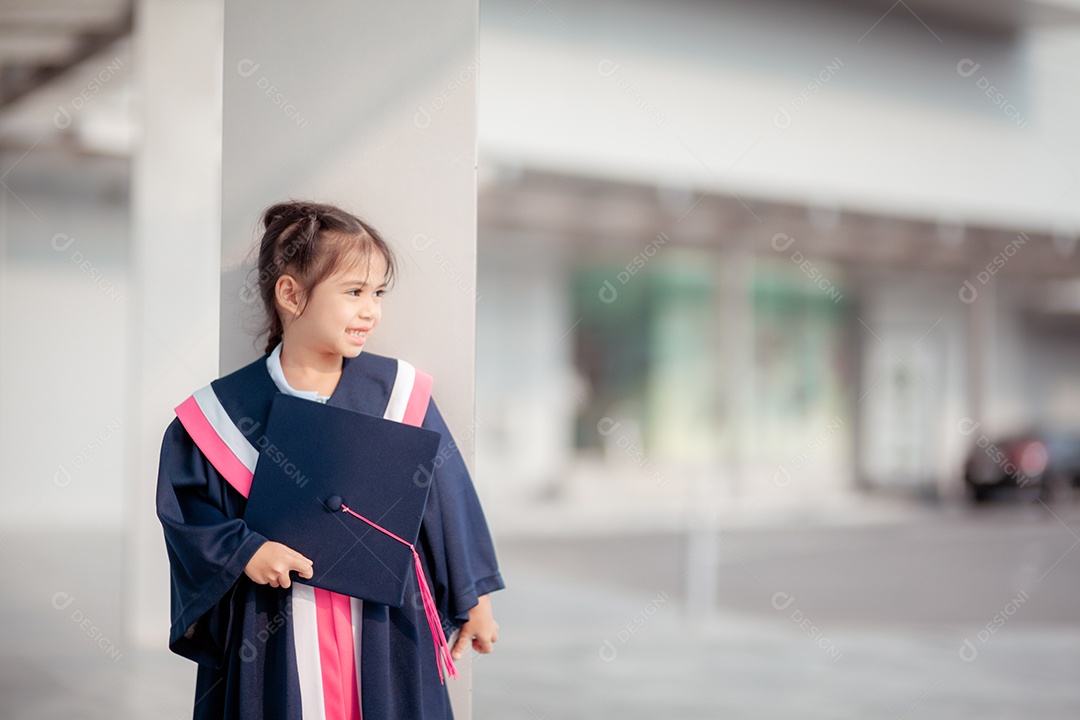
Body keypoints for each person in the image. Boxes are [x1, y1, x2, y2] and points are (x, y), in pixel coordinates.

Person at [156, 201, 503, 719]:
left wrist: (474, 599)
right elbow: (189, 514)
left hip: (384, 623)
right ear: (291, 294)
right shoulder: (219, 416)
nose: (371, 311)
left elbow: (445, 497)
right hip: (273, 623)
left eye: (378, 293)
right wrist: (245, 551)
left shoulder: (399, 395)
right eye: (354, 292)